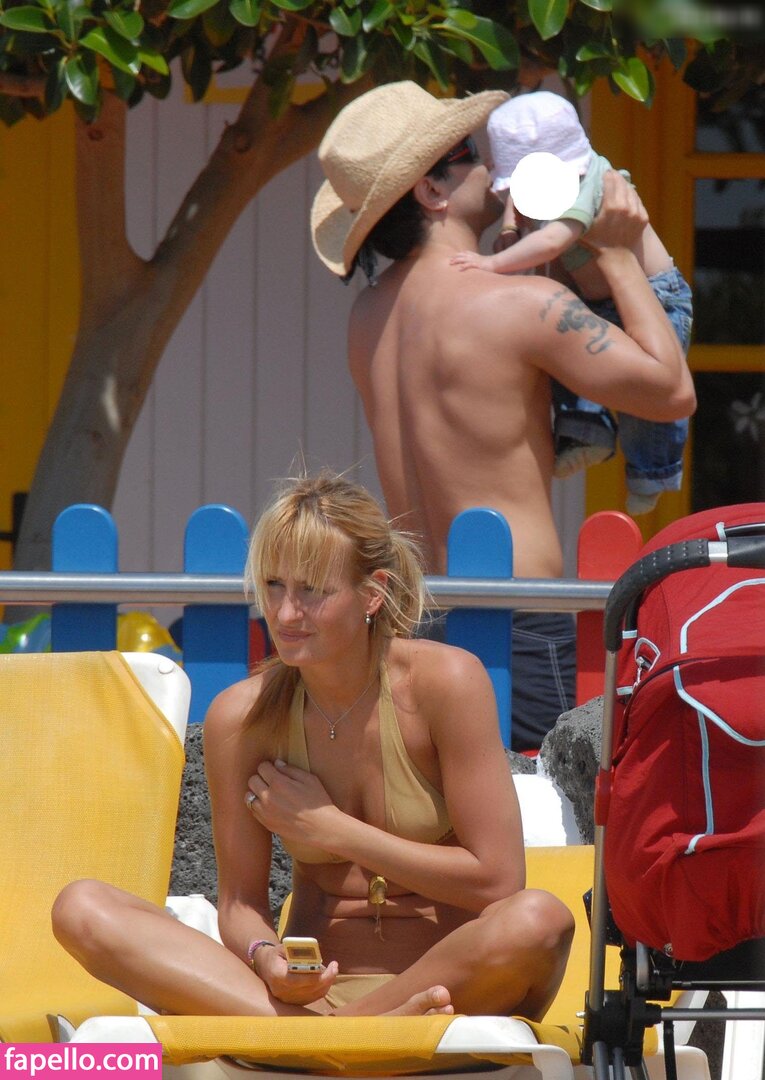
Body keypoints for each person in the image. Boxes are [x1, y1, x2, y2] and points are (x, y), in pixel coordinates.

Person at [52, 472, 575, 1020]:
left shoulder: (445, 684)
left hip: (444, 991)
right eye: (274, 585)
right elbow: (240, 904)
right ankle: (343, 1037)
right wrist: (266, 956)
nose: (284, 614)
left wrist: (334, 830)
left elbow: (498, 882)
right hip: (303, 1002)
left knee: (539, 919)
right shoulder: (243, 718)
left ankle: (337, 1037)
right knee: (82, 907)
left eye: (313, 591)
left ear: (372, 593)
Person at [310, 81, 695, 750]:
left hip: (418, 617)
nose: (490, 163)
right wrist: (613, 251)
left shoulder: (368, 315)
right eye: (469, 152)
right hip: (518, 623)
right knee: (543, 809)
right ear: (432, 191)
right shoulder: (516, 305)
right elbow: (670, 392)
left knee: (443, 807)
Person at [450, 92, 694, 514]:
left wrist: (492, 263)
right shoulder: (549, 180)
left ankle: (652, 471)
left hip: (656, 296)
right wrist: (509, 228)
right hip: (594, 297)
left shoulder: (591, 182)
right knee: (565, 360)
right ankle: (586, 433)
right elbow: (517, 204)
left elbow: (553, 241)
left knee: (647, 407)